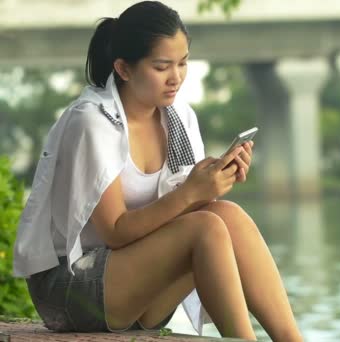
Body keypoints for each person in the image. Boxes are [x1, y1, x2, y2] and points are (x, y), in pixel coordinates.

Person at [12, 1, 302, 341]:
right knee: (206, 226)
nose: (176, 77)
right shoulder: (93, 122)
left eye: (182, 63)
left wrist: (212, 183)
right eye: (162, 66)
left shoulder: (178, 116)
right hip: (71, 287)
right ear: (123, 69)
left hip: (134, 285)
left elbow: (183, 214)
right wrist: (192, 192)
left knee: (227, 215)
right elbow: (116, 232)